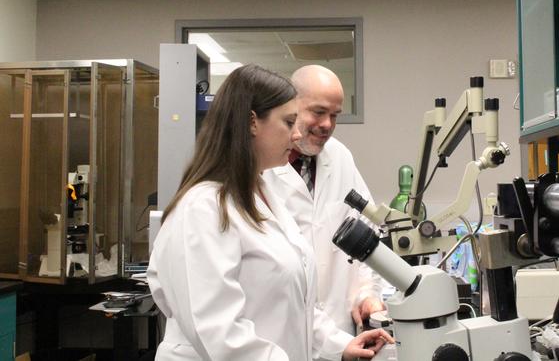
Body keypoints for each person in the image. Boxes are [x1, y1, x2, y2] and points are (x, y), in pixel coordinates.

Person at [147, 64, 392, 361]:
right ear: (252, 122)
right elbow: (220, 334)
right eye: (289, 122)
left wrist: (338, 345)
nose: (297, 133)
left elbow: (294, 305)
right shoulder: (203, 209)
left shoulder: (261, 197)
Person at [262, 65, 386, 349]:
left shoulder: (339, 157)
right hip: (278, 340)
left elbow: (367, 234)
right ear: (291, 105)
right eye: (318, 112)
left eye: (334, 115)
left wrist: (367, 293)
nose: (327, 124)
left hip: (340, 331)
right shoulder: (262, 168)